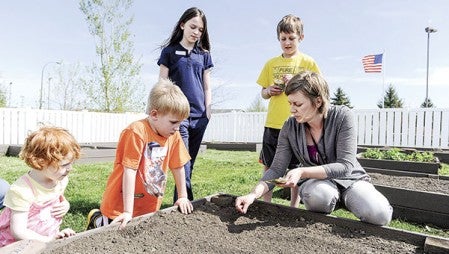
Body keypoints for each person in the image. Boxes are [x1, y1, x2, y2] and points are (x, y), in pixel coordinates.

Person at [236, 71, 393, 226]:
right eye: (290, 103)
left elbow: (345, 166)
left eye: (298, 104)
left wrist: (302, 172)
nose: (292, 110)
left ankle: (347, 198)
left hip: (351, 180)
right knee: (318, 197)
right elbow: (276, 169)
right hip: (318, 184)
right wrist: (252, 195)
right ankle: (328, 206)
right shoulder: (290, 127)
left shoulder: (342, 116)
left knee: (379, 214)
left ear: (318, 101)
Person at [86, 79, 194, 230]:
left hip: (148, 204)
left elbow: (178, 166)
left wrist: (182, 196)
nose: (177, 128)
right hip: (119, 204)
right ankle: (97, 218)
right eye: (173, 122)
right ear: (155, 114)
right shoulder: (136, 132)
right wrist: (127, 211)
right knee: (111, 231)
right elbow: (130, 171)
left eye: (180, 123)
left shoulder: (173, 135)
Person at [257, 14, 320, 205]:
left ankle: (294, 206)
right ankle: (266, 202)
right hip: (274, 123)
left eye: (291, 38)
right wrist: (269, 90)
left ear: (300, 37)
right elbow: (263, 93)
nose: (287, 42)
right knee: (269, 164)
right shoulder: (271, 64)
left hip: (299, 123)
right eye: (283, 38)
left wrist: (293, 83)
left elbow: (317, 89)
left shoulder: (308, 63)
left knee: (296, 166)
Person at [157, 7, 213, 202]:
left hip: (200, 116)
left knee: (191, 160)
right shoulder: (169, 53)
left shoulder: (204, 54)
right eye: (193, 27)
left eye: (200, 30)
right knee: (183, 160)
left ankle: (179, 200)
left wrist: (208, 109)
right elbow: (162, 84)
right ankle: (184, 201)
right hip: (179, 116)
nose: (196, 32)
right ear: (182, 25)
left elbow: (206, 85)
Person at [0, 126, 80, 247]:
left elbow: (58, 198)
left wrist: (65, 205)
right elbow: (18, 231)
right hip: (18, 246)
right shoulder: (22, 190)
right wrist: (48, 240)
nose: (70, 169)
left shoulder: (60, 180)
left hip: (47, 238)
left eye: (71, 163)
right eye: (64, 165)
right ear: (42, 162)